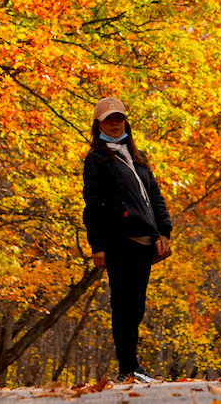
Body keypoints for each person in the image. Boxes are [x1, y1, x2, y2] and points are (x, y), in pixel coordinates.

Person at [82, 96, 172, 384]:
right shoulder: (96, 158)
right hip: (119, 240)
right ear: (98, 125)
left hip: (146, 240)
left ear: (125, 121)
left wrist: (164, 231)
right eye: (108, 119)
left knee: (136, 306)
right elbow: (92, 203)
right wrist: (97, 245)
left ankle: (133, 366)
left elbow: (154, 197)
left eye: (118, 118)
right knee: (123, 305)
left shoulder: (138, 156)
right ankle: (128, 368)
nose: (114, 123)